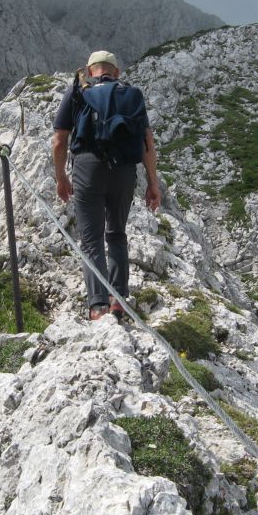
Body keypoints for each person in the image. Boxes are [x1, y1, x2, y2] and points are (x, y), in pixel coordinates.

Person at [52, 50, 161, 320]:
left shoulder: (79, 90)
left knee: (91, 240)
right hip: (124, 170)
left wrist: (61, 178)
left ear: (90, 71)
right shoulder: (130, 95)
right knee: (117, 234)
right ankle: (118, 300)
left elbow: (59, 140)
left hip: (88, 168)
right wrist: (153, 183)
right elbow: (148, 142)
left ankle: (98, 305)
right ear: (117, 73)